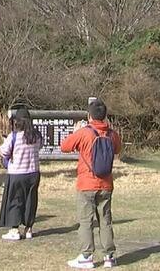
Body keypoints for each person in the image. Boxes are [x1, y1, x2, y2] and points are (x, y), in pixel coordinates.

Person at [60, 99, 123, 269]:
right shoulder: (111, 134)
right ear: (105, 116)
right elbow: (118, 148)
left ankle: (86, 256)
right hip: (106, 184)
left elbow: (64, 146)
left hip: (86, 183)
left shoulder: (84, 133)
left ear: (89, 116)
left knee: (86, 221)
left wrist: (76, 131)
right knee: (106, 220)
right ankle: (109, 256)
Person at [0, 106, 42, 241]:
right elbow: (39, 147)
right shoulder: (36, 136)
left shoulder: (14, 136)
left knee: (15, 200)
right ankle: (29, 229)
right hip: (33, 173)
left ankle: (14, 230)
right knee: (30, 201)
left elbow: (3, 151)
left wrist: (5, 142)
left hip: (17, 173)